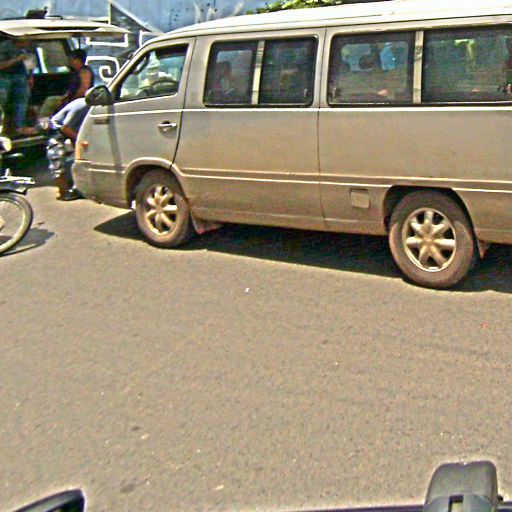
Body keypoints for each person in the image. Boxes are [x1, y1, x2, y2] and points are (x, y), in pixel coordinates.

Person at [49, 97, 90, 201]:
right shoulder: (82, 106)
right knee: (57, 163)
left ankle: (78, 188)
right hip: (58, 132)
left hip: (74, 131)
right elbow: (65, 127)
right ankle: (63, 192)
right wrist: (79, 139)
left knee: (81, 159)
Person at [39, 49, 95, 119]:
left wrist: (70, 101)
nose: (70, 62)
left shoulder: (85, 71)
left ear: (77, 60)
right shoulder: (75, 72)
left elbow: (83, 89)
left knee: (50, 101)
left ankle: (43, 121)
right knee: (51, 100)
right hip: (70, 97)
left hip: (79, 100)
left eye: (71, 59)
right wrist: (65, 97)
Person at [0, 37, 34, 134]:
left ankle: (20, 126)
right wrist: (17, 59)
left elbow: (30, 63)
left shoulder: (28, 48)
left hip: (22, 76)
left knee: (22, 102)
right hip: (5, 76)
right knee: (1, 103)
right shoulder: (5, 47)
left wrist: (30, 76)